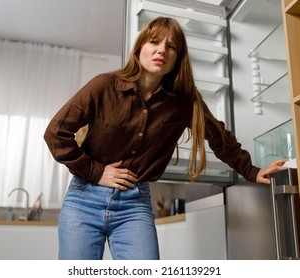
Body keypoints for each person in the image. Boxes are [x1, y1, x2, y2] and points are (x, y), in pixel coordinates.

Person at [44, 17, 286, 260]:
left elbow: (219, 137)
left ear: (177, 58)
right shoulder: (104, 86)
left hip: (133, 206)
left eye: (171, 47)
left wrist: (252, 171)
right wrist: (96, 172)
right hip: (83, 200)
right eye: (154, 42)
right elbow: (56, 133)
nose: (162, 50)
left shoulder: (185, 102)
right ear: (140, 49)